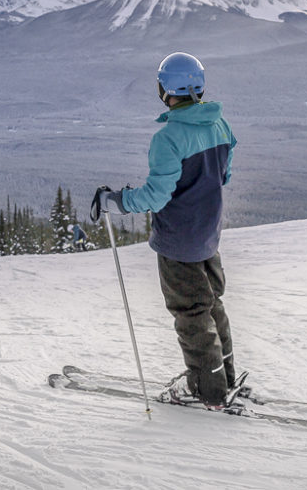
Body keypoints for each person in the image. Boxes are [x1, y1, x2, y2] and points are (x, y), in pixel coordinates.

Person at [97, 52, 238, 408]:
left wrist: (117, 201)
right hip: (208, 236)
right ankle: (225, 376)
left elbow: (157, 196)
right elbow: (224, 175)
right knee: (212, 304)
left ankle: (207, 390)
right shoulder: (219, 125)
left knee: (191, 313)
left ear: (164, 90)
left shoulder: (169, 138)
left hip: (179, 242)